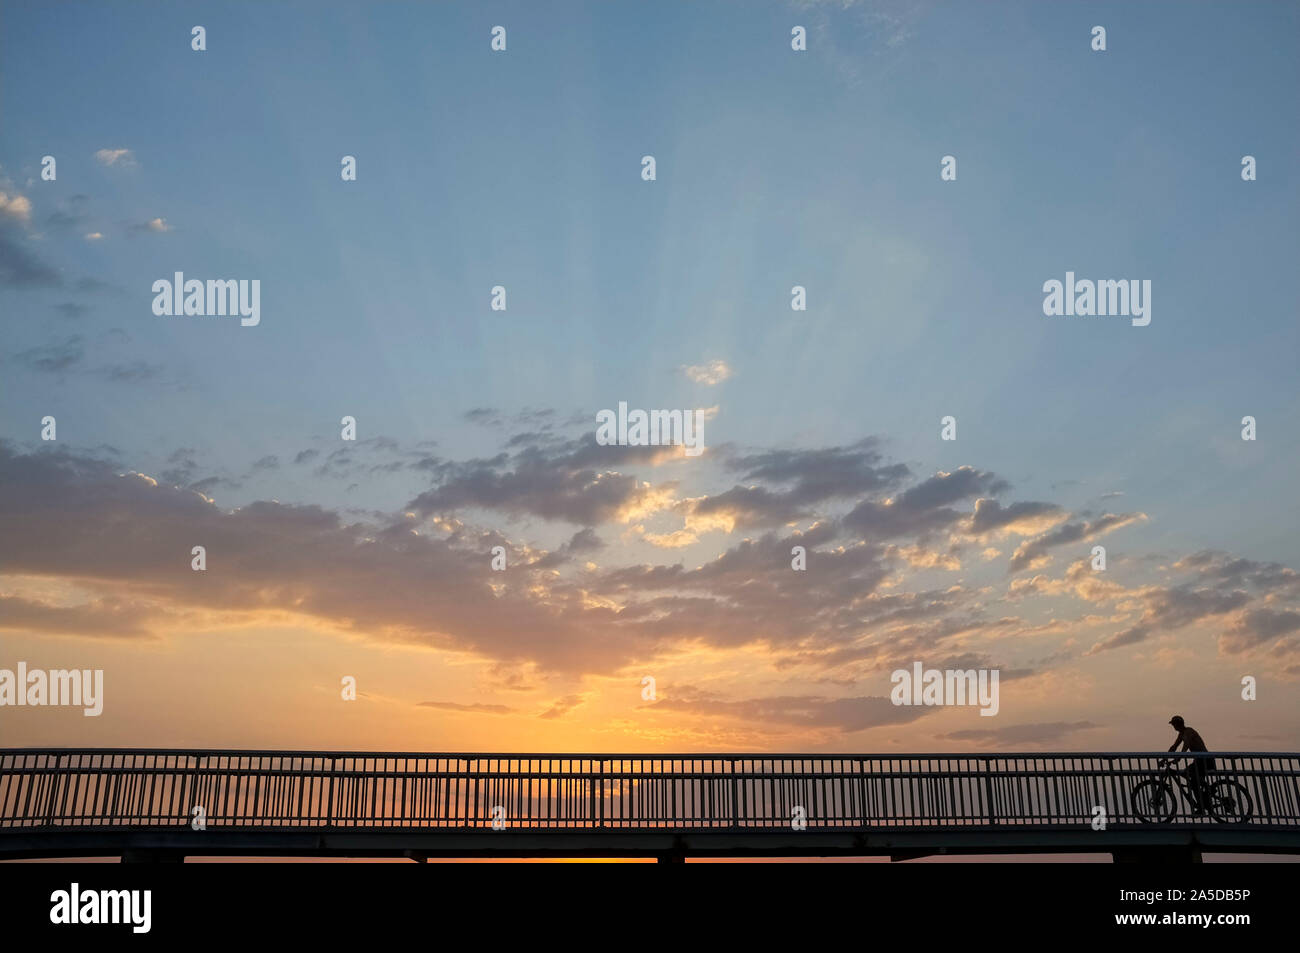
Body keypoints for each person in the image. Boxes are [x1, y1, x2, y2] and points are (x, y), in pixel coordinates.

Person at [1167, 715, 1215, 814]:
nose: (1173, 727)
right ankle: (1206, 789)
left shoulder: (1188, 731)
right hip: (1199, 761)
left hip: (1205, 760)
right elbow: (1174, 747)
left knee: (1194, 783)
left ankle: (1202, 807)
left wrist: (1179, 758)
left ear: (1177, 724)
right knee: (1186, 774)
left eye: (1173, 724)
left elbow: (1186, 745)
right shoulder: (1181, 734)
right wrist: (1164, 759)